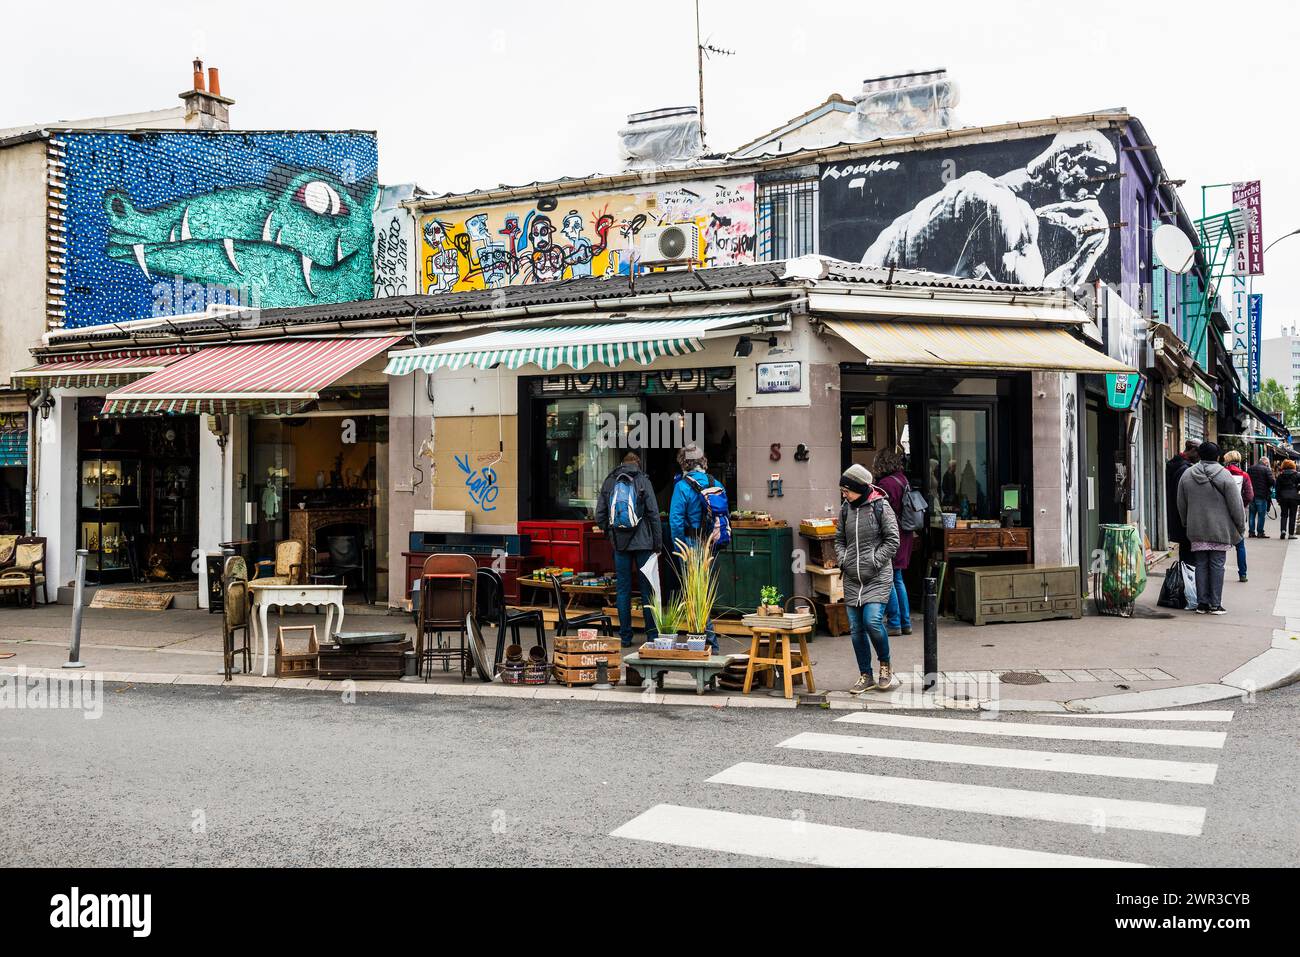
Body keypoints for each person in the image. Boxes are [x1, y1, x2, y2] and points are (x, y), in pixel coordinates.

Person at [835, 464, 900, 693]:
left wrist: (873, 561)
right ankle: (866, 674)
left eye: (847, 490)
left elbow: (893, 540)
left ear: (860, 488)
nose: (844, 494)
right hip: (853, 578)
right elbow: (839, 540)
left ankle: (885, 663)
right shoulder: (846, 509)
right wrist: (844, 560)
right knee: (856, 629)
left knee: (872, 621)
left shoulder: (881, 506)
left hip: (877, 576)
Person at [595, 451, 662, 649]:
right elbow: (654, 514)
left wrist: (611, 533)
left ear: (621, 464)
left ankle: (625, 636)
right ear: (637, 464)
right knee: (646, 590)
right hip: (643, 544)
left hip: (620, 545)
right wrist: (657, 544)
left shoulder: (609, 481)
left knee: (623, 590)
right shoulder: (643, 481)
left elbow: (600, 515)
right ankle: (651, 635)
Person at [1177, 442, 1246, 615]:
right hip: (1219, 529)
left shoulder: (1187, 474)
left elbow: (1181, 503)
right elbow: (1236, 504)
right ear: (1218, 457)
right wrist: (1240, 526)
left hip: (1196, 527)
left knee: (1200, 564)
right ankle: (1215, 604)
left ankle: (1202, 604)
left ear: (1199, 455)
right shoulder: (1224, 475)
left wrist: (1187, 522)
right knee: (1217, 565)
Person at [668, 444, 721, 652]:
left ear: (683, 462)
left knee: (694, 598)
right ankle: (705, 644)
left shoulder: (682, 486)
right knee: (704, 595)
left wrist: (679, 547)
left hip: (690, 547)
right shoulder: (715, 482)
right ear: (703, 462)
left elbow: (675, 522)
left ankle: (709, 645)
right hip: (711, 546)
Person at [874, 448, 914, 637]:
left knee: (889, 579)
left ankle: (895, 622)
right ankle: (905, 622)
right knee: (898, 579)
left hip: (891, 535)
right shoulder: (903, 479)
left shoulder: (885, 484)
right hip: (904, 533)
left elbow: (880, 512)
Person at [1222, 450, 1254, 583]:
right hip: (1238, 513)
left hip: (1222, 513)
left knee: (1220, 545)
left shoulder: (1221, 473)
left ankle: (1219, 572)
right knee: (1240, 545)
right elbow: (1249, 495)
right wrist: (1241, 505)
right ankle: (1243, 574)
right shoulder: (1244, 475)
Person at [1165, 440, 1198, 560]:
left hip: (1177, 517)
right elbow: (1183, 496)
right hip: (1183, 519)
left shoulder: (1175, 464)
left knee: (1185, 552)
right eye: (1198, 454)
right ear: (1192, 451)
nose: (1199, 458)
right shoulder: (1184, 469)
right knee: (1188, 555)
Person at [1247, 455, 1275, 538]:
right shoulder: (1266, 469)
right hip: (1262, 495)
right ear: (1265, 462)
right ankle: (1260, 532)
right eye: (1267, 463)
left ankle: (1251, 532)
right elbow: (1272, 481)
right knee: (1261, 514)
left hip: (1251, 494)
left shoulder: (1250, 468)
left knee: (1252, 514)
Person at [1277, 460, 1300, 540]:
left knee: (1284, 515)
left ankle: (1283, 530)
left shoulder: (1280, 475)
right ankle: (1290, 534)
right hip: (1294, 497)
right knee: (1292, 516)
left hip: (1283, 497)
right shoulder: (1297, 475)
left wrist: (1278, 498)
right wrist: (1297, 488)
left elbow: (1277, 488)